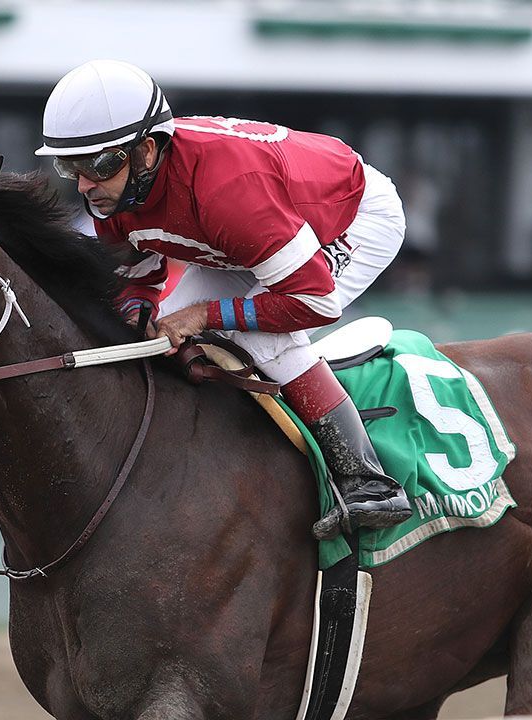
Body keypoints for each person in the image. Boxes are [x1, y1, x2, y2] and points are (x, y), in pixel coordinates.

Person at [36, 60, 411, 539]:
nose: (85, 184)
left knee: (261, 340)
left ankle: (369, 483)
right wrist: (138, 311)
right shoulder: (115, 195)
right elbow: (141, 277)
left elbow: (313, 302)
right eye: (70, 167)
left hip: (348, 217)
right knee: (161, 334)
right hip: (248, 238)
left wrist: (204, 315)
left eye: (99, 165)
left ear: (146, 151)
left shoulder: (227, 190)